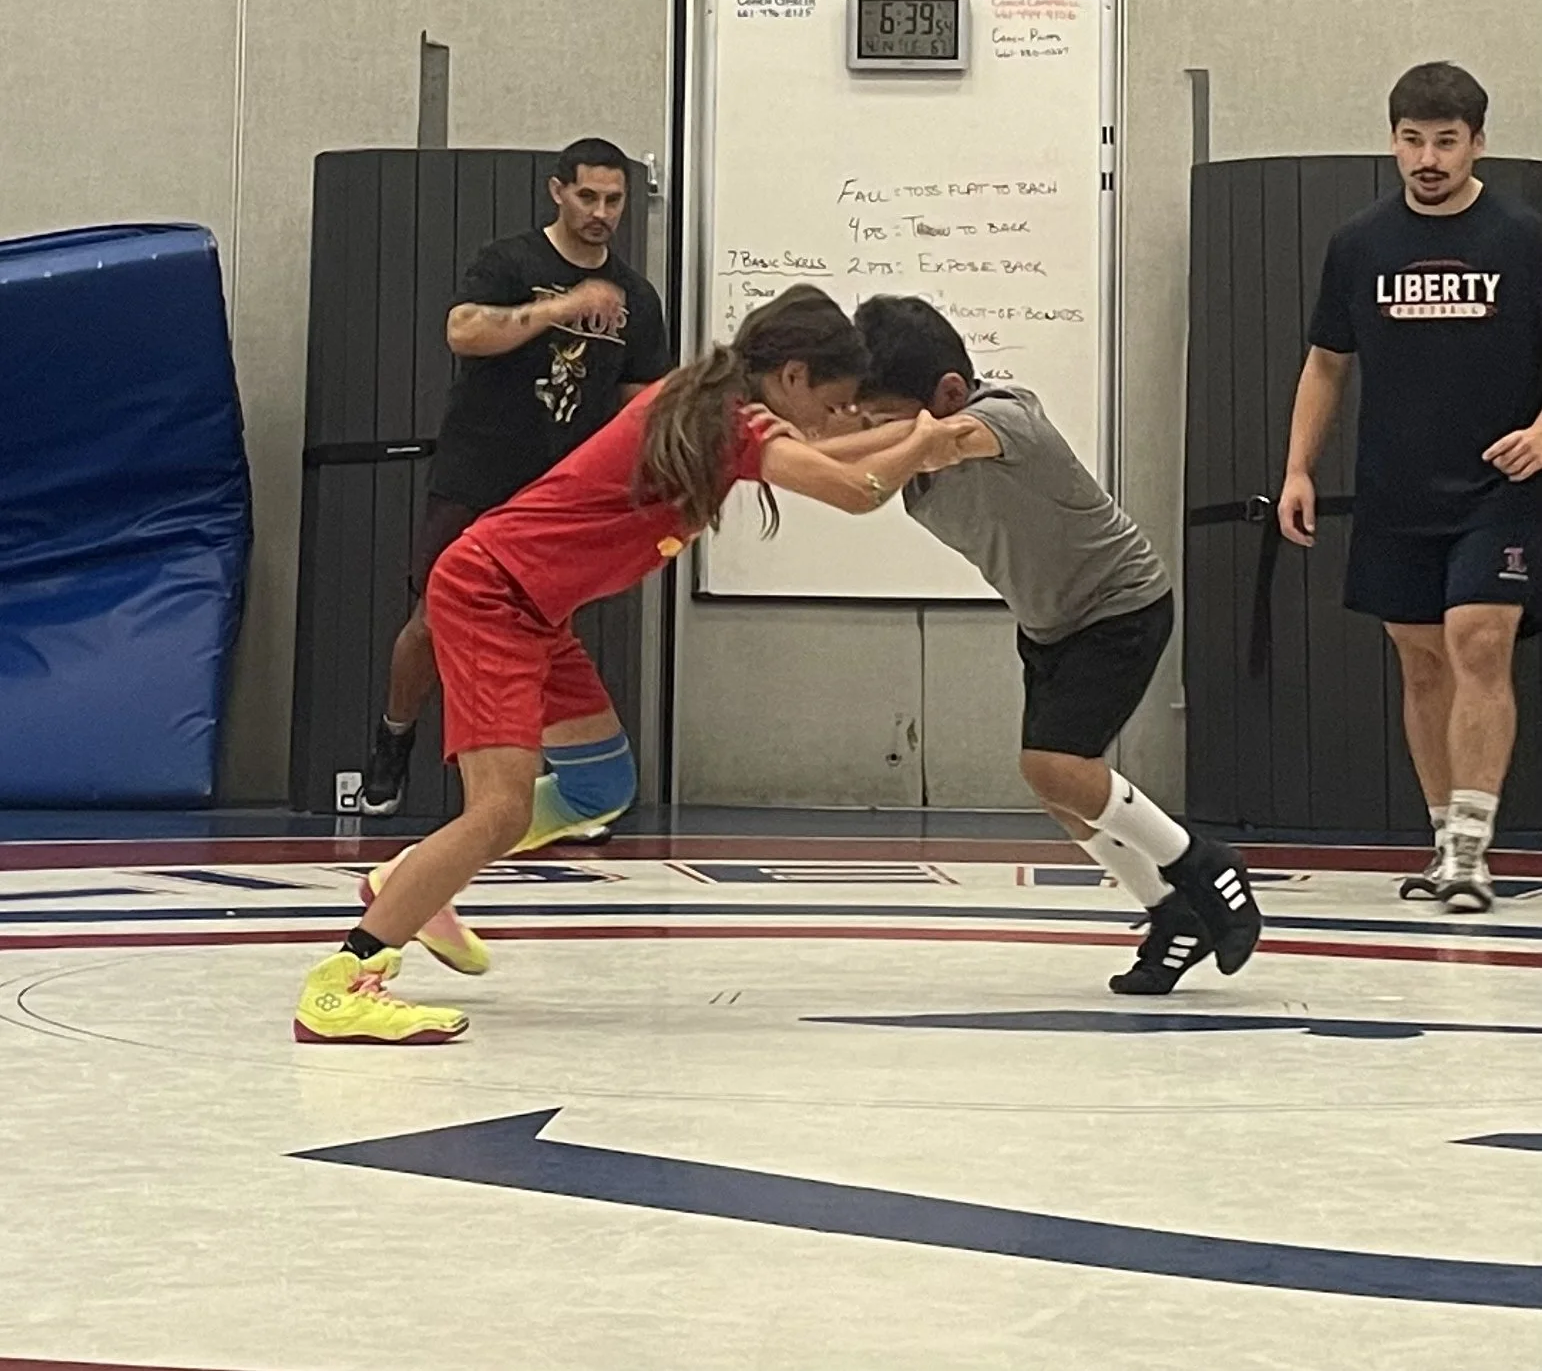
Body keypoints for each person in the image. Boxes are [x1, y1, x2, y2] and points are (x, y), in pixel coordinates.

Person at [294, 286, 972, 1043]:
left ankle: (411, 880)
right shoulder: (723, 422)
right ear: (792, 376)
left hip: (531, 608)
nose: (840, 419)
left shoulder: (713, 406)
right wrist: (922, 439)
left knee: (599, 784)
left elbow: (821, 459)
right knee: (499, 811)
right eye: (838, 402)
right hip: (492, 598)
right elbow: (854, 490)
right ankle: (346, 976)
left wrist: (920, 437)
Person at [825, 296, 1263, 995]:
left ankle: (1204, 865)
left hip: (1121, 606)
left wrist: (817, 447)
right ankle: (1170, 911)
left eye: (885, 419)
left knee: (1056, 766)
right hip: (1050, 626)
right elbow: (858, 477)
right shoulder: (914, 452)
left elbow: (934, 444)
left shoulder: (1006, 418)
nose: (876, 434)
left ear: (946, 394)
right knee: (1059, 791)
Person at [1279, 62, 1542, 913]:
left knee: (1478, 642)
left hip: (1498, 487)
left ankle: (1472, 852)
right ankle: (1442, 842)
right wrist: (1296, 469)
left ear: (1478, 144)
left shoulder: (1523, 238)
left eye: (1446, 141)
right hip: (1395, 488)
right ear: (1393, 141)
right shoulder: (1360, 242)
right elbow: (1326, 362)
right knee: (1424, 664)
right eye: (1412, 140)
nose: (1428, 157)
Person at [359, 136, 671, 825]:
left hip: (559, 492)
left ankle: (555, 790)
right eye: (587, 196)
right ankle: (395, 736)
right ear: (558, 191)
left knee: (543, 630)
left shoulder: (636, 299)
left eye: (614, 200)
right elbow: (464, 331)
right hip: (480, 472)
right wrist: (559, 310)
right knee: (432, 620)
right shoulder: (510, 261)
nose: (601, 212)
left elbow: (637, 399)